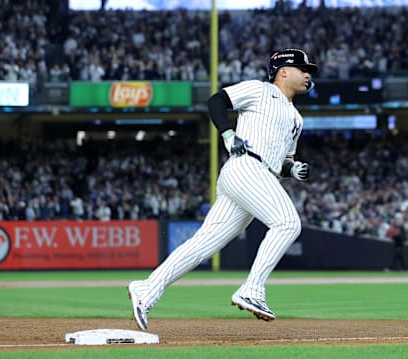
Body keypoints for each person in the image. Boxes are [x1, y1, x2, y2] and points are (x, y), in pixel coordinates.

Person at [127, 49, 318, 330]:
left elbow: (282, 162)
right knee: (288, 223)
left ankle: (146, 289)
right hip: (246, 168)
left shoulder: (296, 119)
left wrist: (293, 169)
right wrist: (228, 134)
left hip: (258, 175)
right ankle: (252, 289)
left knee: (203, 244)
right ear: (283, 71)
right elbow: (217, 101)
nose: (308, 74)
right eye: (303, 68)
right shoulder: (259, 90)